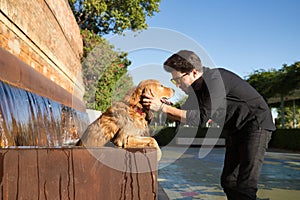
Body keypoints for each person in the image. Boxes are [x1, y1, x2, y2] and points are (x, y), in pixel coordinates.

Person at [142, 50, 276, 200]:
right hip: (235, 130)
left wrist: (162, 108)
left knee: (245, 185)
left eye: (178, 80)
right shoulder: (195, 91)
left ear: (193, 72)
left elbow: (199, 118)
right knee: (229, 181)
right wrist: (161, 105)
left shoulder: (215, 79)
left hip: (256, 126)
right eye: (175, 81)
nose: (178, 85)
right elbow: (183, 115)